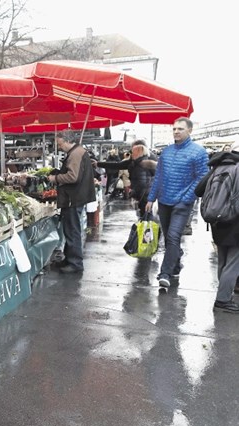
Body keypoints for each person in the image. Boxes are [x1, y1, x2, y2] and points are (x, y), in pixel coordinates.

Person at [146, 117, 209, 288]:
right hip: (164, 200)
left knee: (173, 236)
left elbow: (202, 177)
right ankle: (175, 263)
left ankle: (165, 273)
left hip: (182, 203)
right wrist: (151, 198)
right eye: (174, 129)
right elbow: (158, 177)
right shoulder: (166, 152)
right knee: (169, 238)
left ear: (190, 130)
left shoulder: (199, 152)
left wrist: (187, 198)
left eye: (180, 129)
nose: (176, 131)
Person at [194, 142, 239, 312]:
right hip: (235, 221)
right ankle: (223, 300)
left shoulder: (218, 166)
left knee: (224, 261)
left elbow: (198, 191)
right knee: (234, 263)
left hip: (217, 221)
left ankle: (224, 294)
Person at [47, 130, 96, 273]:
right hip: (75, 197)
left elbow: (73, 177)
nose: (59, 146)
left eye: (60, 143)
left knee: (72, 230)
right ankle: (69, 259)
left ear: (67, 140)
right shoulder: (78, 152)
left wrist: (54, 178)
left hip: (73, 198)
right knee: (70, 229)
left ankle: (75, 263)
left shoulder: (75, 154)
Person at [93, 140, 157, 216]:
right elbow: (119, 165)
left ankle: (146, 226)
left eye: (133, 150)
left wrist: (136, 193)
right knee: (143, 215)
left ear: (140, 149)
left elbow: (143, 182)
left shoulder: (145, 161)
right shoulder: (136, 160)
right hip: (143, 194)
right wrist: (99, 164)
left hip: (145, 195)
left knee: (146, 215)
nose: (131, 152)